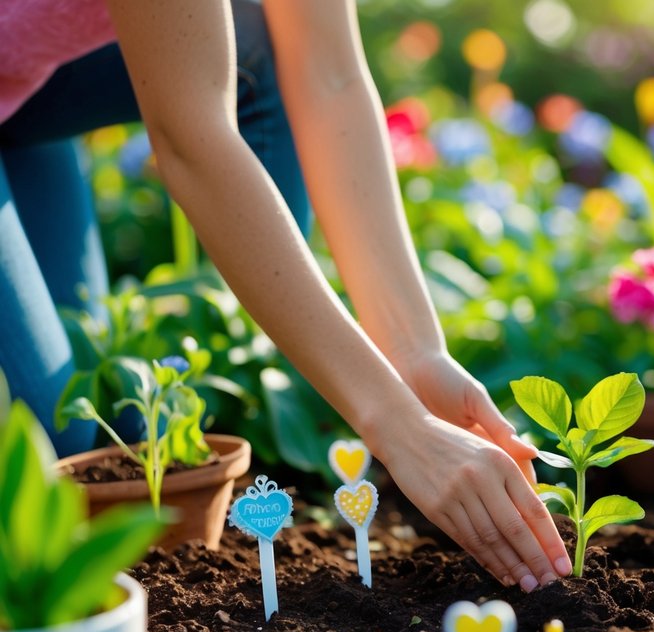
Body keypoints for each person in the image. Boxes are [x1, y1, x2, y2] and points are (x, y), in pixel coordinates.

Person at [0, 0, 571, 592]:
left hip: (27, 75)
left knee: (258, 38)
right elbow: (190, 135)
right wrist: (397, 426)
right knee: (41, 443)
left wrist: (414, 357)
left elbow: (331, 77)